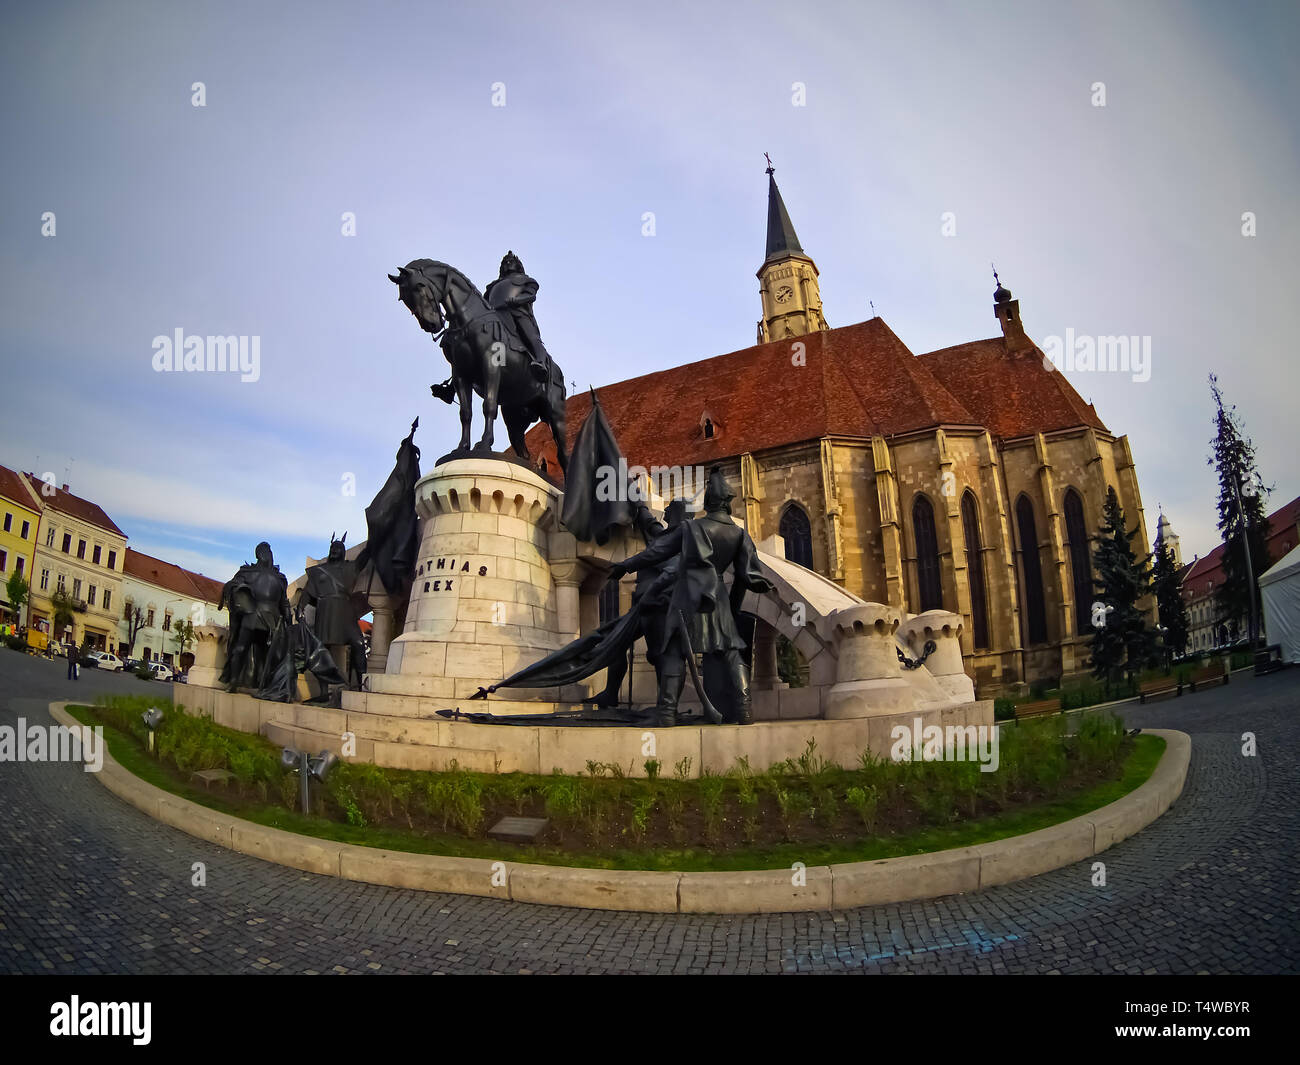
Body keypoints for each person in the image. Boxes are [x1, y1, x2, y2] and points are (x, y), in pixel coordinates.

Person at [610, 469, 775, 725]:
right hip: (717, 596)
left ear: (709, 501)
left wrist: (626, 566)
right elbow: (747, 576)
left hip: (688, 596)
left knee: (675, 651)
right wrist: (732, 605)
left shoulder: (692, 527)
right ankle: (744, 709)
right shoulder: (739, 534)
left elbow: (657, 552)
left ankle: (666, 713)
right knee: (731, 650)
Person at [484, 250, 552, 382]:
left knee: (531, 337)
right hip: (495, 316)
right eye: (505, 262)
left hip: (518, 314)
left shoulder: (527, 281)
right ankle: (454, 383)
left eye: (511, 262)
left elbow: (530, 295)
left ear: (518, 265)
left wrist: (516, 300)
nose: (507, 264)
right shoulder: (492, 287)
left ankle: (541, 363)